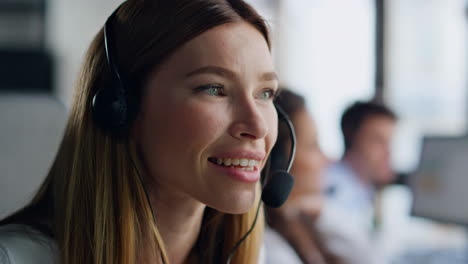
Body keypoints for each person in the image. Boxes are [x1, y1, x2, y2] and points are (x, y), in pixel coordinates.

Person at [0, 1, 281, 263]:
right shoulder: (14, 257)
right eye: (213, 89)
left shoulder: (254, 256)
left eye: (265, 93)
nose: (258, 127)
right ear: (120, 106)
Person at [265, 92, 385, 264]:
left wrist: (323, 213)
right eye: (313, 146)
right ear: (278, 161)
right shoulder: (273, 253)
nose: (326, 159)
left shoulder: (297, 224)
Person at [324, 101, 397, 234]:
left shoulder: (360, 189)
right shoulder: (333, 192)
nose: (388, 153)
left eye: (390, 142)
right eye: (378, 141)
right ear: (352, 140)